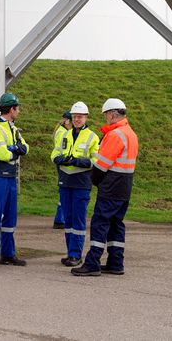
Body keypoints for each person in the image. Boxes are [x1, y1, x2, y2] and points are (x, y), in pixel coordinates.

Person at [72, 98, 139, 277]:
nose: (105, 118)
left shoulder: (115, 135)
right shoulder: (131, 133)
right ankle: (116, 263)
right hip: (125, 186)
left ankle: (92, 263)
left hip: (111, 186)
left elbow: (101, 165)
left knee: (100, 223)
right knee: (116, 224)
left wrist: (95, 180)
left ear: (112, 114)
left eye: (106, 115)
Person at [0, 91, 29, 269]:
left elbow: (26, 148)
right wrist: (16, 150)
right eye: (17, 108)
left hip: (9, 176)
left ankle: (8, 255)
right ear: (11, 109)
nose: (19, 111)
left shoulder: (13, 128)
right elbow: (3, 154)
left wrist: (14, 148)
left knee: (10, 217)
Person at [53, 101, 99, 267]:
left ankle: (75, 254)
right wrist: (58, 159)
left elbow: (97, 159)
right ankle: (70, 252)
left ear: (86, 117)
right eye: (75, 117)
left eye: (80, 116)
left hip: (81, 181)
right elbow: (55, 152)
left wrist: (82, 162)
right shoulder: (65, 135)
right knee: (68, 219)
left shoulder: (92, 137)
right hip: (65, 180)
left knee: (78, 219)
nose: (77, 119)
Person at [52, 112, 73, 230]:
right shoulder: (63, 132)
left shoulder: (62, 131)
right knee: (64, 190)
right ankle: (60, 218)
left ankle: (61, 218)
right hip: (63, 163)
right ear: (68, 121)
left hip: (62, 162)